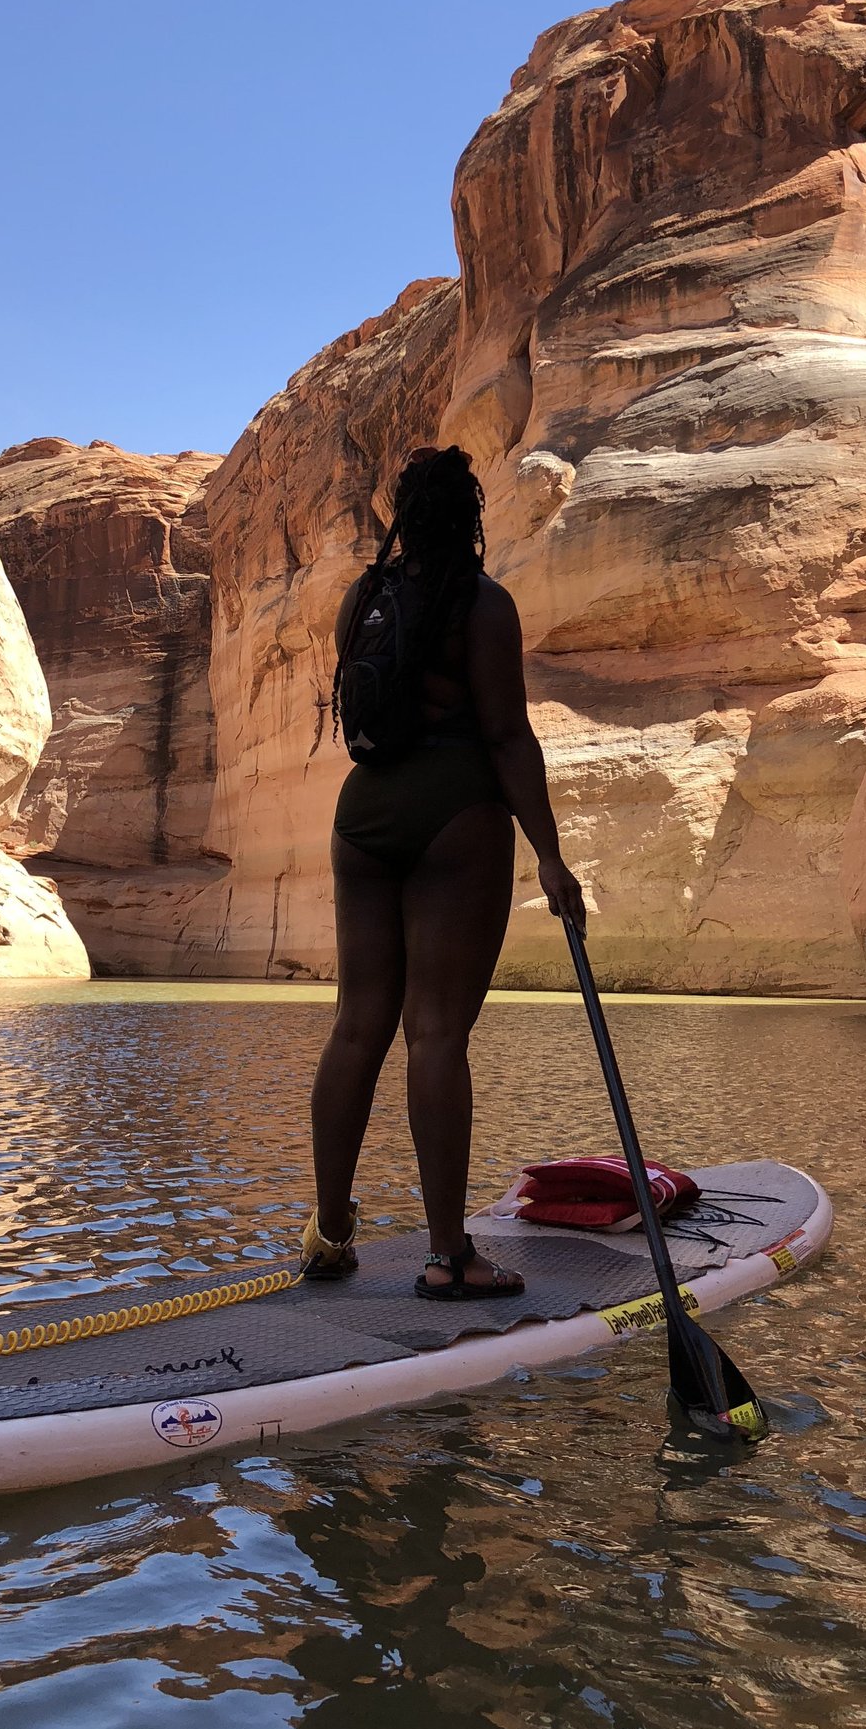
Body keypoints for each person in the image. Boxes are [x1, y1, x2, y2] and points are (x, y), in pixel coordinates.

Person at [300, 445, 585, 1300]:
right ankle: (448, 1255)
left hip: (363, 815)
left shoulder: (362, 598)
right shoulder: (483, 605)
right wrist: (550, 853)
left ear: (401, 519)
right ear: (469, 519)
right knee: (435, 1033)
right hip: (455, 816)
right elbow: (505, 738)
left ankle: (329, 1233)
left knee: (358, 1025)